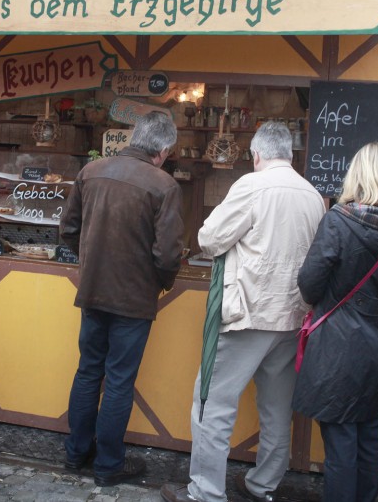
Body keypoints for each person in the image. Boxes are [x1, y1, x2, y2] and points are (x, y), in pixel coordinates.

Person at [160, 121, 325, 502]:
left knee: (213, 404)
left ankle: (205, 492)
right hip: (292, 316)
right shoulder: (313, 195)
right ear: (290, 154)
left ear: (256, 154)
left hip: (248, 313)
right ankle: (262, 484)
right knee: (276, 409)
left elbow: (209, 238)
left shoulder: (252, 185)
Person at [60, 111, 184, 487]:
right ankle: (108, 465)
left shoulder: (92, 171)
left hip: (93, 290)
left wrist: (90, 261)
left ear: (135, 137)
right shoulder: (164, 185)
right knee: (118, 381)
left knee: (88, 371)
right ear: (163, 150)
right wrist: (161, 283)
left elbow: (68, 229)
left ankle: (75, 454)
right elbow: (168, 255)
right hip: (133, 299)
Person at [293, 142, 378, 502]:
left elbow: (309, 283)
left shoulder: (338, 221)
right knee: (369, 432)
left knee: (341, 441)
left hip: (337, 343)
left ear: (357, 175)